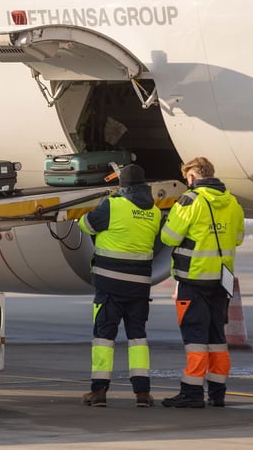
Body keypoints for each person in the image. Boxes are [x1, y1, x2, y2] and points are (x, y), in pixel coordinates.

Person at [160, 157, 245, 408]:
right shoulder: (232, 202)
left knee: (195, 338)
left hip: (195, 278)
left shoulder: (190, 201)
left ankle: (192, 392)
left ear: (192, 177)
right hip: (222, 280)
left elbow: (169, 237)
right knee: (217, 338)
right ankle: (218, 392)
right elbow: (238, 238)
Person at [78, 163, 161, 408]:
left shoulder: (113, 205)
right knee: (138, 338)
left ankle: (99, 392)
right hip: (139, 287)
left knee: (104, 338)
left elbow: (87, 225)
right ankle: (142, 394)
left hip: (110, 285)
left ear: (122, 184)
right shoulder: (154, 211)